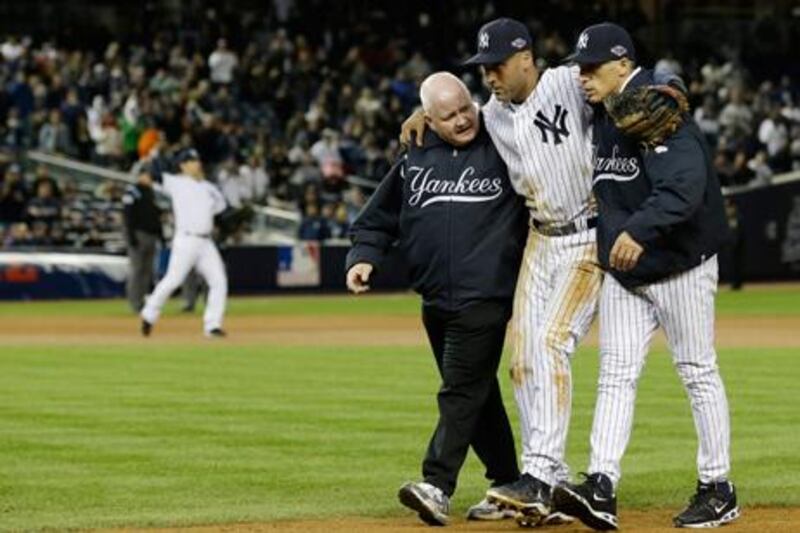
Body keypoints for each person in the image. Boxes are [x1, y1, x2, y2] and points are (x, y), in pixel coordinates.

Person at [552, 23, 739, 530]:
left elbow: (684, 185)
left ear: (621, 64)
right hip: (627, 274)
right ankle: (601, 484)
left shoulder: (656, 103)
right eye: (579, 67)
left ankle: (718, 486)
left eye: (592, 68)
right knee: (615, 375)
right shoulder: (603, 104)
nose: (582, 76)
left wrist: (638, 230)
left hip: (679, 264)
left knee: (697, 370)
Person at [347, 72, 527, 526]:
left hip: (485, 294)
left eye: (466, 108)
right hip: (435, 299)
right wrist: (363, 256)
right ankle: (508, 482)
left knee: (460, 390)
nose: (463, 120)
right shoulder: (416, 152)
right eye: (448, 115)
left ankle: (437, 484)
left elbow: (523, 103)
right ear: (429, 118)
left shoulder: (503, 139)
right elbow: (377, 217)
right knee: (478, 394)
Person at [140, 148, 228, 338]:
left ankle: (212, 325)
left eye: (197, 160)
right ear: (183, 165)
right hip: (186, 240)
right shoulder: (176, 183)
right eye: (192, 161)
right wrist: (157, 153)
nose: (197, 163)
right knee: (173, 280)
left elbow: (221, 209)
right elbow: (154, 173)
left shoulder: (209, 187)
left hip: (205, 242)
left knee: (219, 281)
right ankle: (149, 314)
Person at [122, 168, 163, 312]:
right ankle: (134, 302)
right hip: (138, 234)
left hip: (151, 235)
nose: (149, 178)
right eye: (147, 175)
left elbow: (155, 217)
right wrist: (131, 236)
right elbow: (127, 215)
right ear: (140, 176)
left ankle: (143, 301)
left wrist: (160, 235)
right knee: (137, 269)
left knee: (147, 270)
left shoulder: (151, 193)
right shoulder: (132, 191)